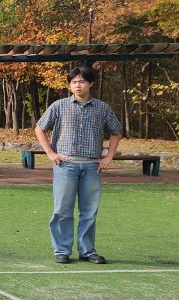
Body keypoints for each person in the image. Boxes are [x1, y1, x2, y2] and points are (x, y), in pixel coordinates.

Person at [34, 65, 123, 265]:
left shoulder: (102, 108)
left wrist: (109, 156)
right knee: (62, 209)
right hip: (65, 165)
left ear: (91, 83)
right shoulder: (59, 106)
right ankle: (62, 250)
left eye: (82, 81)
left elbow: (116, 132)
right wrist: (50, 153)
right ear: (69, 85)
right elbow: (40, 128)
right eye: (74, 82)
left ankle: (87, 251)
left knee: (89, 211)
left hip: (92, 166)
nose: (78, 85)